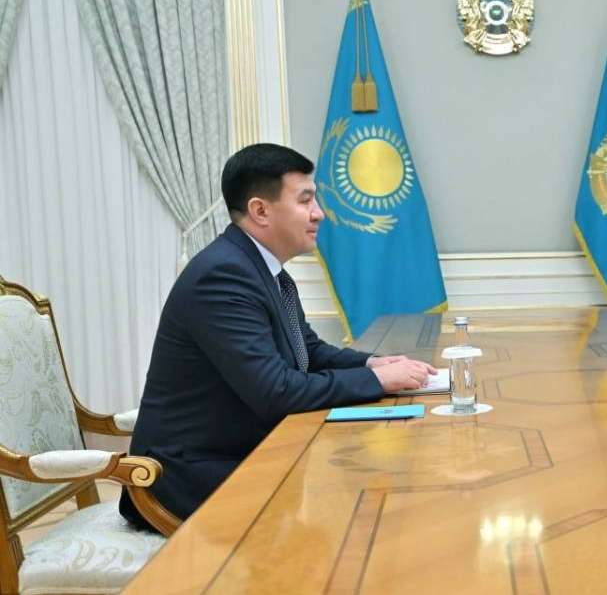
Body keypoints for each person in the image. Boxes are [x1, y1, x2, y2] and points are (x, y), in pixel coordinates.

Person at [120, 143, 436, 528]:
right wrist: (374, 380)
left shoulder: (262, 269)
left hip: (241, 454)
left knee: (360, 492)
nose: (319, 213)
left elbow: (308, 352)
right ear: (260, 210)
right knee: (351, 505)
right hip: (187, 476)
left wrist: (373, 363)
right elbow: (276, 392)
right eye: (305, 201)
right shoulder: (222, 277)